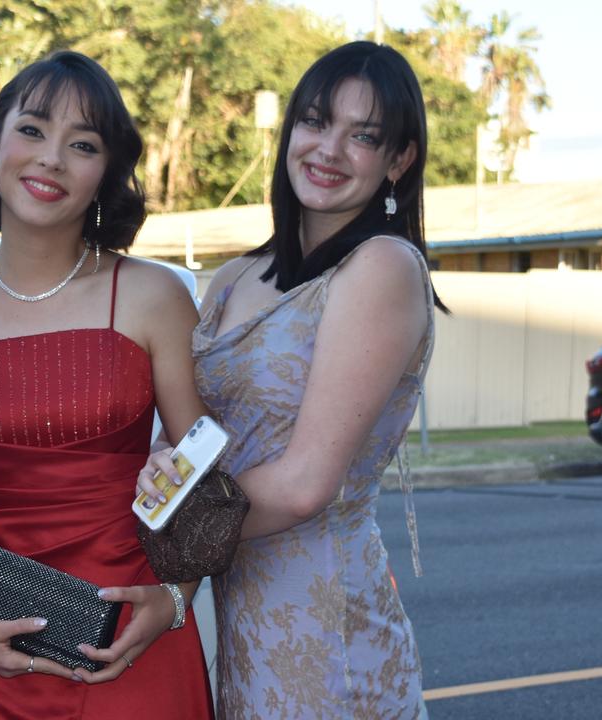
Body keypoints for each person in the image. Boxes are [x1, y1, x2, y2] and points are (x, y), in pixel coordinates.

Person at [0, 50, 214, 718]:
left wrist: (173, 600)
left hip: (131, 636)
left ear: (106, 170)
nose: (50, 158)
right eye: (32, 130)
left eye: (82, 144)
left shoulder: (151, 294)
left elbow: (205, 466)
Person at [142, 41, 442, 718]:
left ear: (399, 161)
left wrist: (145, 528)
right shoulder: (235, 277)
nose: (327, 149)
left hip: (324, 621)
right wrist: (160, 468)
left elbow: (306, 484)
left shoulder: (381, 268)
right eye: (313, 122)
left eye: (361, 136)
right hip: (237, 606)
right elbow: (190, 440)